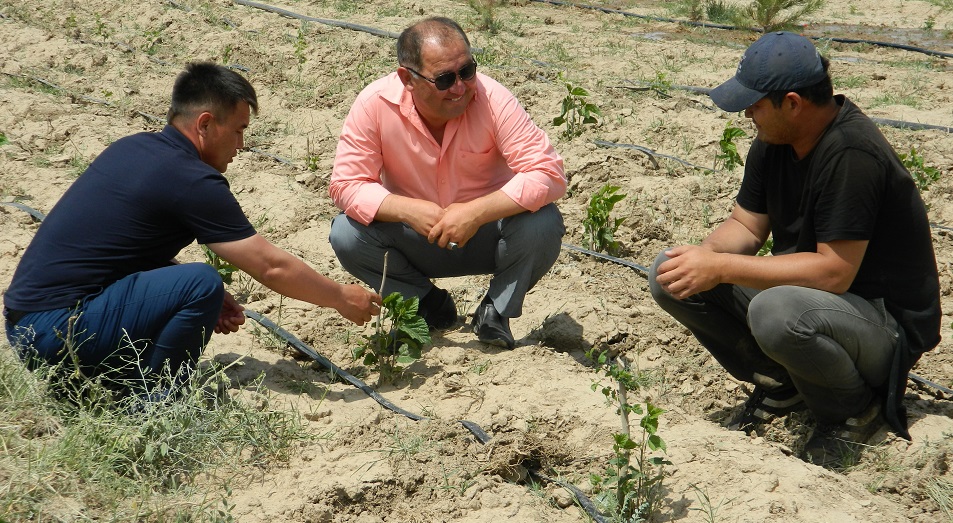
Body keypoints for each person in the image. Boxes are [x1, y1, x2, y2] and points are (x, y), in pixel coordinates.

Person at [648, 32, 940, 467]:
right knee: (669, 274)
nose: (748, 113)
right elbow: (746, 224)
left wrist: (722, 267)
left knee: (777, 311)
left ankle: (853, 408)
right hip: (823, 303)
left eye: (755, 103)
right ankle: (784, 384)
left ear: (792, 103)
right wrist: (705, 259)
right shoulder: (775, 142)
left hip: (881, 324)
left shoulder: (851, 155)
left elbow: (833, 272)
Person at [3, 63, 382, 392]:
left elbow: (120, 255)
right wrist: (340, 297)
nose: (242, 144)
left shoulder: (135, 148)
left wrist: (184, 294)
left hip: (26, 326)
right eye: (237, 130)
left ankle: (120, 378)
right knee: (202, 282)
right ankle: (153, 397)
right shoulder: (190, 178)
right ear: (205, 123)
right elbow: (270, 265)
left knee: (195, 287)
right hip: (55, 333)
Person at [328, 17, 566, 350]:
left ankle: (495, 311)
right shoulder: (375, 104)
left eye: (466, 72)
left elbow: (549, 173)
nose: (459, 87)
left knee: (543, 222)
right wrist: (408, 209)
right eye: (444, 79)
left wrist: (476, 212)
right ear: (407, 79)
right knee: (347, 234)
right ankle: (427, 304)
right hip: (417, 238)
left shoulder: (492, 98)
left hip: (489, 235)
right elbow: (346, 184)